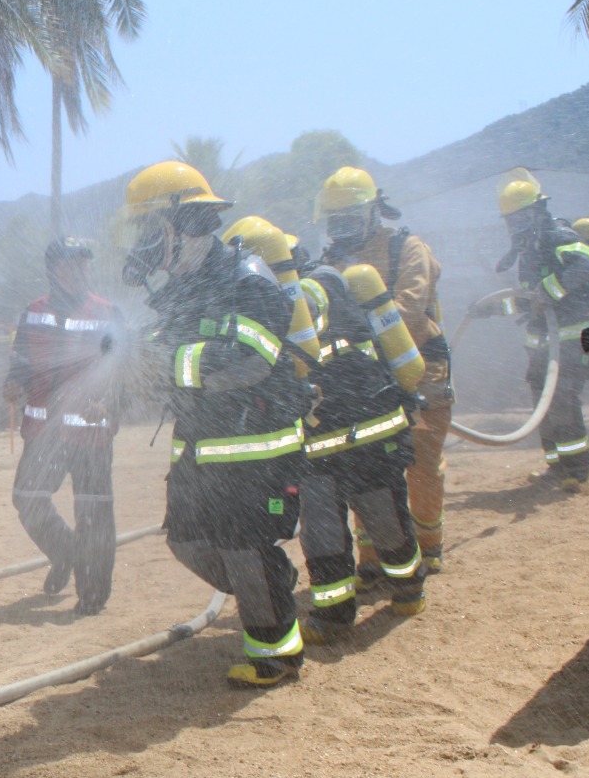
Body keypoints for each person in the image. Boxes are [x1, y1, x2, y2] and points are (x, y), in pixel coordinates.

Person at [123, 162, 309, 687]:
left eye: (149, 229)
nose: (143, 244)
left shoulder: (246, 279)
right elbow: (167, 354)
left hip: (257, 449)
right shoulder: (184, 287)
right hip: (200, 447)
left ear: (187, 224)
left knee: (243, 548)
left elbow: (250, 359)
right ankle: (271, 581)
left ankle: (275, 656)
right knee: (186, 541)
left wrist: (166, 364)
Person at [317, 166, 452, 577]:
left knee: (420, 462)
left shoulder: (407, 249)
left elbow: (408, 309)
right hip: (364, 377)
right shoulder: (329, 262)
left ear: (373, 212)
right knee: (365, 463)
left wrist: (361, 334)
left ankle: (428, 544)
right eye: (335, 220)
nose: (342, 228)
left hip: (420, 368)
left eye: (349, 218)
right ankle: (373, 559)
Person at [296, 263, 429, 639]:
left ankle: (404, 590)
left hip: (354, 438)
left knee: (373, 522)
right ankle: (338, 614)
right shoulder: (332, 296)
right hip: (347, 442)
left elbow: (311, 316)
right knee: (335, 531)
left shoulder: (311, 290)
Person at [4, 238, 121, 615]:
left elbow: (122, 369)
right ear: (53, 269)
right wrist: (14, 383)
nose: (80, 270)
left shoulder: (107, 312)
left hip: (90, 432)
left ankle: (93, 594)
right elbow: (21, 362)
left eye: (85, 264)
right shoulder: (33, 312)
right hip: (44, 432)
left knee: (93, 512)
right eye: (71, 264)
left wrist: (110, 403)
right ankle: (66, 552)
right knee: (27, 498)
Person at [494, 169, 589, 491]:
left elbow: (585, 262)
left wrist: (551, 291)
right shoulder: (530, 248)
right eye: (511, 221)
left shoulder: (558, 235)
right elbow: (529, 299)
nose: (516, 226)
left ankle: (579, 472)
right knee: (543, 404)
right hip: (542, 343)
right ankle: (556, 467)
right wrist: (490, 309)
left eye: (521, 218)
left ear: (538, 210)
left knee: (562, 400)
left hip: (572, 337)